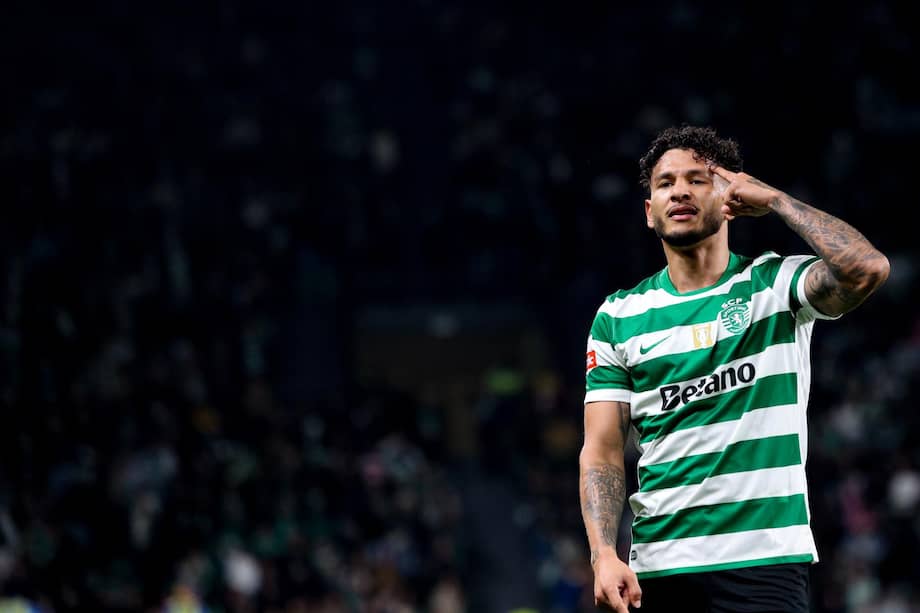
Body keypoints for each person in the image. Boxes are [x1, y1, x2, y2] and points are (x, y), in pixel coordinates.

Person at [578, 126, 889, 613]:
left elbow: (867, 269)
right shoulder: (618, 316)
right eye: (664, 183)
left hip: (764, 561)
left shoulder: (776, 284)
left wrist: (779, 202)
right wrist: (602, 555)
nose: (679, 190)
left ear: (729, 196)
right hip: (660, 567)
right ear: (649, 212)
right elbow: (602, 453)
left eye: (698, 179)